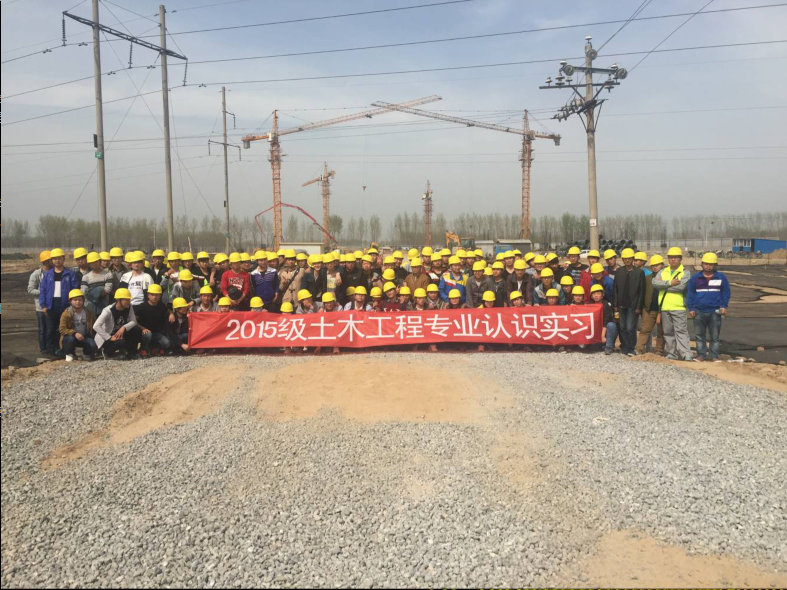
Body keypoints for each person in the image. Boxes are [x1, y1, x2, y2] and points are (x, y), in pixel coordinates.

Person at [687, 252, 730, 362]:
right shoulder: (695, 278)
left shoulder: (721, 277)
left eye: (711, 264)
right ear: (702, 264)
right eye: (706, 264)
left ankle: (713, 356)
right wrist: (691, 308)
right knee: (699, 335)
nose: (708, 266)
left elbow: (726, 292)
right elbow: (690, 293)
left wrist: (724, 306)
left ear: (715, 265)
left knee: (714, 336)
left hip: (715, 311)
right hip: (699, 311)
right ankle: (701, 355)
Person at [653, 247, 692, 361]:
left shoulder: (685, 272)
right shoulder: (662, 272)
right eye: (670, 257)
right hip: (665, 307)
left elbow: (681, 287)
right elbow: (655, 283)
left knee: (681, 331)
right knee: (668, 333)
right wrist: (670, 283)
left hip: (678, 307)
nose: (673, 259)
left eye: (675, 257)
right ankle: (672, 353)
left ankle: (686, 353)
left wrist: (663, 286)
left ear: (680, 259)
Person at [39, 248, 79, 358]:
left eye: (59, 258)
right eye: (54, 259)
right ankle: (50, 351)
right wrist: (43, 305)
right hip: (51, 305)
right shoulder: (47, 275)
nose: (57, 261)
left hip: (64, 306)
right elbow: (43, 290)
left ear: (63, 259)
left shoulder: (70, 274)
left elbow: (75, 289)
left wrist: (72, 305)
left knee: (64, 329)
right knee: (50, 330)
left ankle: (64, 350)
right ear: (52, 260)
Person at [613, 248, 645, 356]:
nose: (627, 260)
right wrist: (615, 304)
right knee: (622, 327)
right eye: (625, 258)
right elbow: (615, 289)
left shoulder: (639, 273)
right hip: (621, 305)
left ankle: (632, 348)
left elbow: (641, 291)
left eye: (629, 258)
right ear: (622, 259)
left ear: (633, 259)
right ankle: (625, 347)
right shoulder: (619, 271)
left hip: (633, 305)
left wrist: (639, 306)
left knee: (630, 327)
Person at [94, 288, 141, 360]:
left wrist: (124, 327)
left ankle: (132, 353)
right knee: (121, 342)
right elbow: (96, 326)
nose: (129, 301)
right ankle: (107, 353)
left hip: (120, 333)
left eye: (129, 299)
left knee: (136, 329)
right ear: (118, 300)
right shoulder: (107, 310)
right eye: (126, 300)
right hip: (109, 336)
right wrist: (109, 338)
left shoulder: (129, 306)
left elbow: (134, 321)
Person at [635, 255, 666, 356]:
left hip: (663, 309)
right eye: (653, 265)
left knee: (661, 332)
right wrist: (643, 306)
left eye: (657, 265)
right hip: (649, 309)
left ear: (662, 265)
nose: (655, 267)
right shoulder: (647, 278)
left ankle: (659, 350)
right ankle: (639, 349)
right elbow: (642, 293)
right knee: (645, 330)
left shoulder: (667, 278)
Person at [59, 289, 97, 362]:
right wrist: (74, 333)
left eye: (80, 300)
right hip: (72, 336)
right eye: (75, 300)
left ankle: (85, 353)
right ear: (70, 301)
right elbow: (62, 329)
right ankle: (69, 353)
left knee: (92, 345)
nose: (78, 302)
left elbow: (94, 325)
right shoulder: (66, 313)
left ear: (83, 301)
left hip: (85, 336)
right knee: (70, 339)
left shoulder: (89, 312)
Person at [135, 283, 172, 356]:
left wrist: (171, 314)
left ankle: (153, 348)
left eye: (157, 295)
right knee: (148, 335)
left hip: (155, 333)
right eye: (152, 295)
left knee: (166, 343)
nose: (154, 297)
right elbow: (133, 321)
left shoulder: (161, 305)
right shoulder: (142, 307)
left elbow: (168, 311)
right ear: (148, 295)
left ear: (160, 296)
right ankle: (143, 349)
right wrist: (142, 328)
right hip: (143, 333)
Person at [29, 250, 52, 354]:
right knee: (43, 329)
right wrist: (43, 292)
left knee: (52, 328)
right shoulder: (36, 274)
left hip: (53, 305)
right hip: (40, 307)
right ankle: (43, 349)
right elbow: (30, 289)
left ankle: (51, 347)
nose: (53, 261)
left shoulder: (55, 272)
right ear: (46, 261)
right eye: (51, 259)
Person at [591, 284, 617, 355]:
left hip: (606, 330)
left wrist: (602, 336)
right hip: (596, 330)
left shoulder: (607, 305)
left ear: (602, 295)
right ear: (591, 296)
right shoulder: (590, 305)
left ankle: (609, 347)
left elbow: (606, 321)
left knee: (611, 325)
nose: (596, 295)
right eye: (594, 294)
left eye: (598, 293)